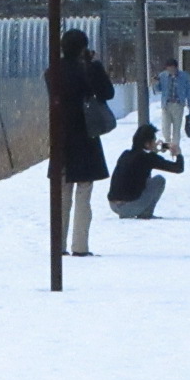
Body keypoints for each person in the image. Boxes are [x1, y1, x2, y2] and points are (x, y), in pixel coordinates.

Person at [50, 27, 114, 255]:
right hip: (85, 136)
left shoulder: (53, 72)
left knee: (62, 192)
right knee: (83, 192)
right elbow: (107, 93)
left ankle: (58, 245)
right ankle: (80, 246)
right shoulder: (86, 70)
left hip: (61, 136)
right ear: (83, 48)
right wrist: (95, 65)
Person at [107, 122, 185, 219]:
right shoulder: (148, 158)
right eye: (154, 141)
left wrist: (153, 151)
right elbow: (178, 168)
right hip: (129, 207)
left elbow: (141, 163)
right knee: (159, 180)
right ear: (147, 144)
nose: (156, 143)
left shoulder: (126, 154)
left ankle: (132, 210)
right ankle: (146, 214)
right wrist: (178, 154)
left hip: (113, 205)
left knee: (144, 177)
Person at [154, 58, 190, 144]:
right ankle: (167, 144)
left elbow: (189, 91)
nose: (170, 70)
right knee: (165, 127)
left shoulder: (184, 76)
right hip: (166, 104)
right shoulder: (162, 76)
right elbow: (157, 90)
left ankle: (175, 147)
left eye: (172, 68)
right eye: (168, 68)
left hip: (178, 104)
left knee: (176, 128)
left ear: (176, 67)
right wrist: (156, 82)